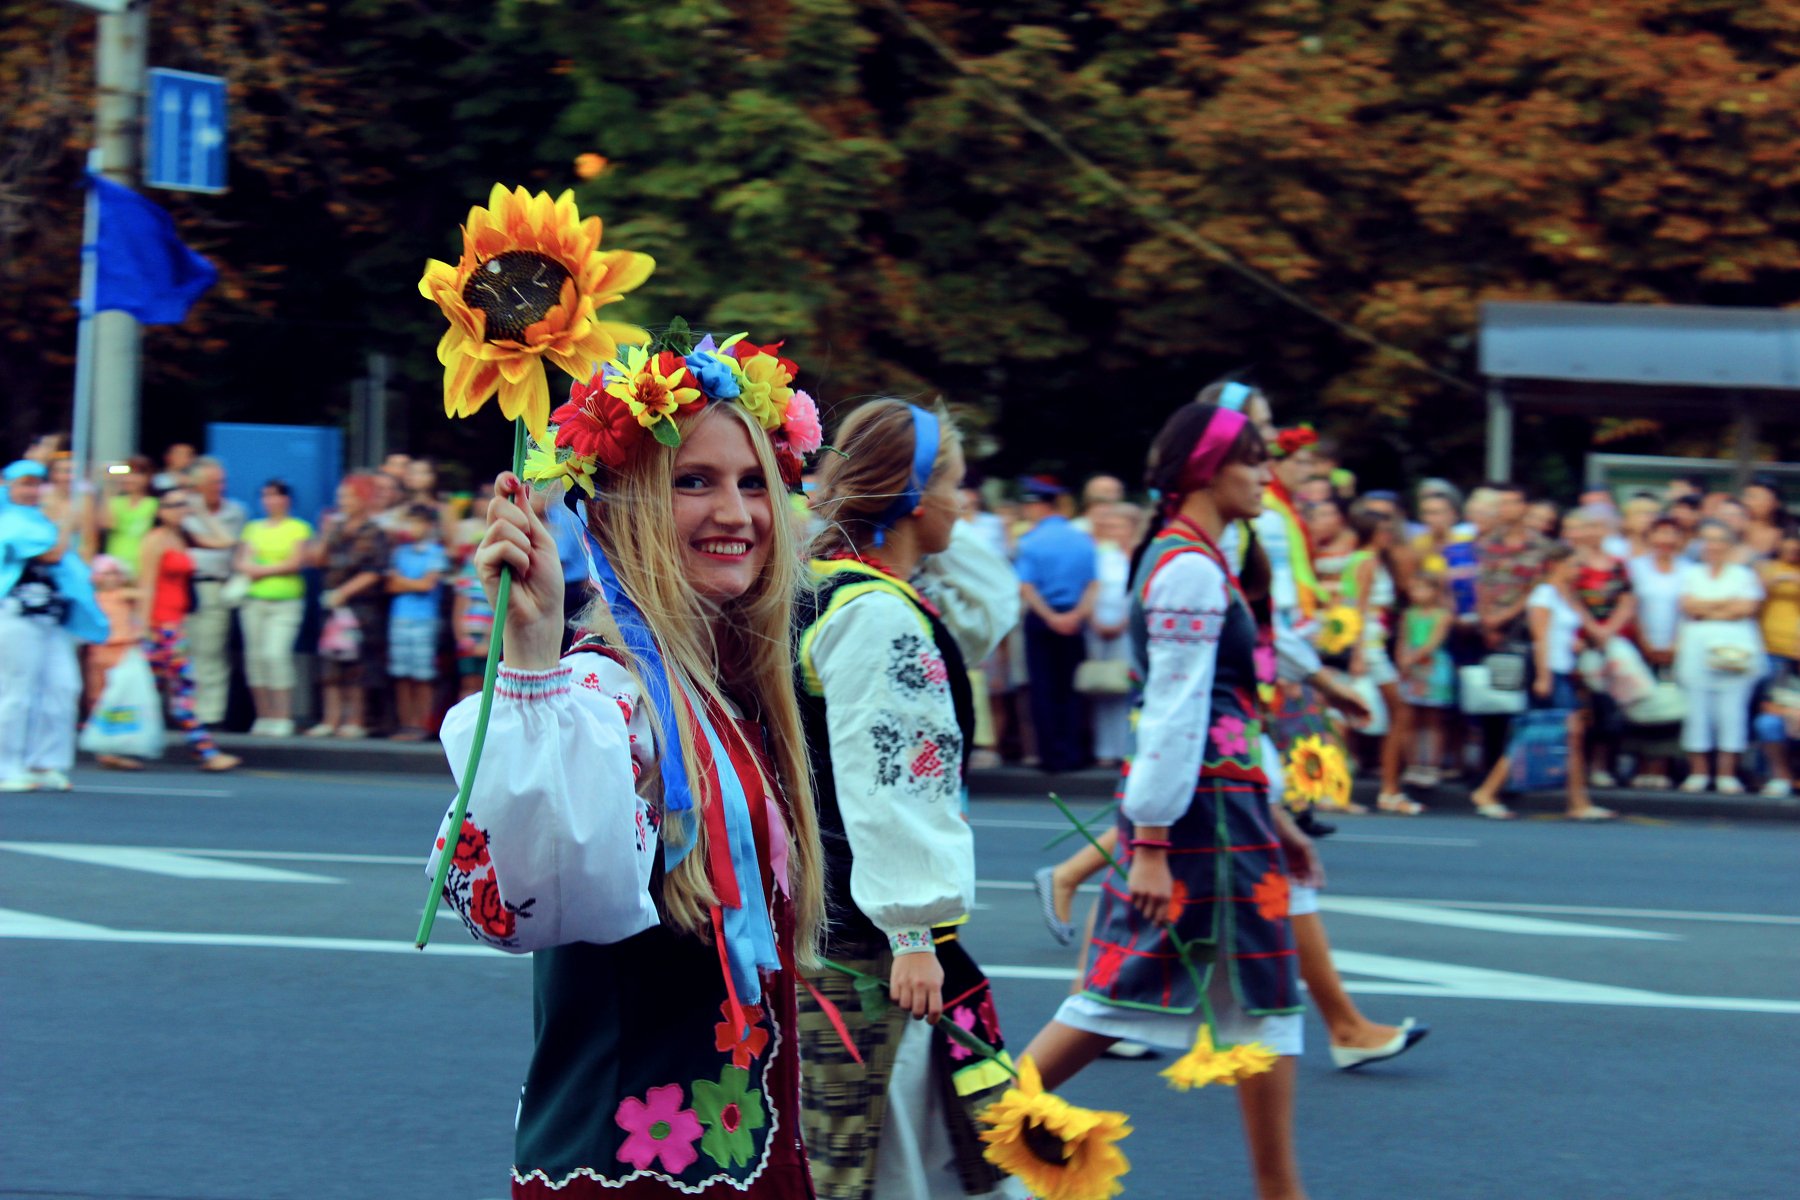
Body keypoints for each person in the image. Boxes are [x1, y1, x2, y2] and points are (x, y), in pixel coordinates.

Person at [430, 351, 826, 1197]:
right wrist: (531, 663)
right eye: (694, 482)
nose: (736, 512)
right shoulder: (604, 694)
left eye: (753, 482)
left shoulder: (732, 691)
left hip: (735, 1153)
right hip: (628, 1167)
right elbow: (521, 902)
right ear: (620, 510)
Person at [1019, 402, 1321, 1200]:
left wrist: (1276, 819)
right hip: (1200, 817)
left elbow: (1214, 714)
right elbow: (1174, 711)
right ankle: (983, 1121)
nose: (1266, 475)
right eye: (1252, 460)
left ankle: (1280, 1189)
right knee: (1122, 995)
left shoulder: (1196, 558)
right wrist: (1148, 845)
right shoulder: (1188, 566)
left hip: (1226, 807)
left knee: (1258, 1004)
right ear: (1206, 471)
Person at [793, 399, 1024, 1200]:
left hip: (829, 918)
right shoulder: (877, 617)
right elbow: (889, 782)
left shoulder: (826, 587)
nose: (966, 505)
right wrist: (914, 929)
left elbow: (992, 604)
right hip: (874, 944)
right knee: (872, 1160)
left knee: (871, 1154)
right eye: (955, 485)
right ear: (918, 497)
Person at [1467, 545, 1613, 821]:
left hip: (1561, 671)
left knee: (1562, 736)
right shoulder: (1544, 595)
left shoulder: (1564, 595)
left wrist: (1575, 645)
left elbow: (1566, 633)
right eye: (1573, 564)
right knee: (1541, 735)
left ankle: (1577, 801)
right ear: (1556, 565)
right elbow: (1540, 637)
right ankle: (1489, 791)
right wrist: (1544, 677)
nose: (1578, 570)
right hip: (1548, 672)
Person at [0, 460, 108, 791]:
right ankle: (6, 767)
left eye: (36, 484)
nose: (31, 490)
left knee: (63, 687)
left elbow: (77, 556)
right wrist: (66, 524)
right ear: (8, 486)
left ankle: (44, 762)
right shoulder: (8, 520)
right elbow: (51, 555)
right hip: (17, 615)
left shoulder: (41, 520)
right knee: (16, 692)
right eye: (24, 484)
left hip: (52, 619)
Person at [131, 488, 241, 772]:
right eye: (173, 505)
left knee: (150, 691)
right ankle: (206, 752)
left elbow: (227, 541)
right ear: (160, 511)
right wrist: (144, 628)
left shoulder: (183, 537)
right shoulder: (155, 540)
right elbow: (146, 584)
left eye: (183, 504)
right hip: (161, 627)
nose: (180, 509)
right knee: (182, 689)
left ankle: (113, 746)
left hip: (175, 624)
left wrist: (202, 512)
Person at [1674, 521, 1768, 794]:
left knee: (1732, 712)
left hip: (1736, 650)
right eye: (1707, 540)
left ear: (1729, 545)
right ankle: (1699, 773)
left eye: (1719, 540)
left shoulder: (1743, 574)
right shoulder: (1690, 572)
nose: (1713, 546)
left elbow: (1745, 607)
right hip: (1696, 649)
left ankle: (1727, 774)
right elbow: (1688, 605)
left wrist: (1707, 608)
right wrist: (1724, 604)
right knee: (1697, 712)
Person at [1014, 476, 1098, 772]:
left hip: (1043, 617)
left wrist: (1050, 617)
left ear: (1039, 506)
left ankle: (1051, 756)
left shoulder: (1030, 541)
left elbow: (1026, 587)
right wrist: (1077, 615)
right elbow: (1093, 584)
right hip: (1074, 617)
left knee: (1043, 687)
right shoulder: (1082, 539)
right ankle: (1074, 753)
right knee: (1071, 687)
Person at [1341, 499, 1418, 814]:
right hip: (1369, 648)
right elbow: (1357, 609)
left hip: (1373, 645)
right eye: (1383, 530)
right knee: (1398, 712)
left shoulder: (1369, 559)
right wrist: (1358, 654)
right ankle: (1388, 789)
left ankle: (1386, 788)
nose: (1388, 535)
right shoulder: (1367, 562)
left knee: (1363, 715)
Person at [1562, 505, 1638, 789]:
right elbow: (1569, 598)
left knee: (1610, 706)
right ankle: (1577, 767)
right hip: (1579, 643)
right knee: (1583, 708)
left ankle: (1602, 766)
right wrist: (1592, 629)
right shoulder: (1571, 564)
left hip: (1611, 643)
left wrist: (1608, 630)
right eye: (1588, 526)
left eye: (1599, 526)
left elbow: (1627, 600)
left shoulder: (1618, 564)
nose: (1593, 532)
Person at [310, 473, 389, 739]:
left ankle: (355, 720)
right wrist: (325, 533)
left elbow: (375, 571)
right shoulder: (336, 528)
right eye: (341, 496)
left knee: (358, 665)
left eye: (349, 496)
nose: (343, 501)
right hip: (332, 608)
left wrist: (344, 592)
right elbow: (318, 560)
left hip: (361, 609)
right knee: (330, 664)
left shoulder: (375, 532)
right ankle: (330, 719)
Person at [235, 480, 313, 737]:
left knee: (275, 655)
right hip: (253, 601)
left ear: (286, 499)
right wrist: (261, 568)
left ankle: (283, 716)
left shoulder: (299, 528)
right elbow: (241, 561)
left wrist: (261, 570)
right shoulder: (252, 528)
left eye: (275, 496)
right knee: (255, 658)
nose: (269, 501)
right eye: (265, 496)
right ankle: (264, 716)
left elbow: (295, 562)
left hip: (285, 603)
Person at [180, 456, 248, 726]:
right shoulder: (180, 509)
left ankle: (210, 715)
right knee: (184, 651)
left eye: (221, 482)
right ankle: (186, 710)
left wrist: (202, 514)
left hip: (214, 587)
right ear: (195, 485)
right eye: (211, 482)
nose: (218, 487)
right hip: (184, 587)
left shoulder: (235, 512)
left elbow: (229, 542)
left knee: (210, 652)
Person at [1626, 517, 1688, 788]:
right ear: (1649, 537)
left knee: (1670, 706)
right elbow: (1631, 607)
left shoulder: (1688, 569)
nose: (1665, 540)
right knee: (1642, 704)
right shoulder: (1635, 567)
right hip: (1642, 647)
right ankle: (1641, 767)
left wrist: (1675, 645)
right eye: (1660, 533)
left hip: (1678, 649)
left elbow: (1688, 611)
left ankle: (1661, 768)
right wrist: (1644, 643)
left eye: (1672, 534)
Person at [387, 502, 449, 740]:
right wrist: (413, 583)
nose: (413, 527)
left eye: (418, 523)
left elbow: (427, 585)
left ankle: (422, 726)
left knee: (423, 675)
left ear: (429, 525)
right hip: (399, 619)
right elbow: (390, 586)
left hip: (425, 621)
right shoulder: (399, 553)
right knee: (402, 674)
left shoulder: (436, 553)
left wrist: (402, 582)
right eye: (410, 522)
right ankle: (406, 725)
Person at [1086, 502, 1139, 766]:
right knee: (1103, 687)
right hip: (1099, 630)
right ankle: (1104, 750)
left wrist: (1125, 622)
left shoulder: (1140, 556)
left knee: (1128, 686)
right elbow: (1091, 589)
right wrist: (1094, 620)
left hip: (1128, 631)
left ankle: (1128, 748)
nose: (1113, 531)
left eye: (1118, 526)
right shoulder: (1101, 555)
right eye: (1110, 526)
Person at [1397, 571, 1455, 786]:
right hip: (1411, 670)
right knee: (1410, 719)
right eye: (1414, 589)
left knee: (1433, 719)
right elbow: (1403, 640)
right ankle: (1412, 765)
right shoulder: (1408, 615)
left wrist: (1411, 659)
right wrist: (1402, 661)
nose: (1417, 593)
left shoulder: (1443, 615)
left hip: (1434, 669)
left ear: (1435, 591)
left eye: (1422, 588)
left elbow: (1433, 642)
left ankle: (1431, 766)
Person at [96, 456, 159, 578]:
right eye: (127, 474)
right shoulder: (116, 502)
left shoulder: (154, 504)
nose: (130, 479)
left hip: (143, 564)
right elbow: (107, 523)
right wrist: (109, 484)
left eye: (136, 474)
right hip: (114, 565)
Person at [1304, 496, 1356, 594]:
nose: (1328, 520)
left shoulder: (1356, 542)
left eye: (1331, 514)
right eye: (1322, 515)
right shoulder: (1308, 544)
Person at [1742, 477, 1787, 561]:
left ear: (1775, 503)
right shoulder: (1738, 530)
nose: (1747, 502)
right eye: (1746, 497)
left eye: (1754, 497)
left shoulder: (1786, 533)